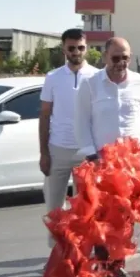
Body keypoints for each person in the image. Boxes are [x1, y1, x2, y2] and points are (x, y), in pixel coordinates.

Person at [74, 37, 140, 277]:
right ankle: (103, 265)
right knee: (101, 218)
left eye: (126, 57)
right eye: (116, 58)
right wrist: (92, 157)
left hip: (133, 166)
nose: (121, 62)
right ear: (104, 58)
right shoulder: (90, 85)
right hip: (100, 165)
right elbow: (81, 123)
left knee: (125, 219)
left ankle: (116, 267)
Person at [39, 28, 99, 248]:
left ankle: (83, 257)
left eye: (81, 47)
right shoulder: (53, 77)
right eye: (71, 48)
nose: (76, 52)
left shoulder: (96, 76)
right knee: (54, 210)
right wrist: (44, 153)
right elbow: (45, 115)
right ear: (64, 48)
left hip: (87, 152)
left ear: (87, 48)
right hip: (58, 151)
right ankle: (57, 260)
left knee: (86, 210)